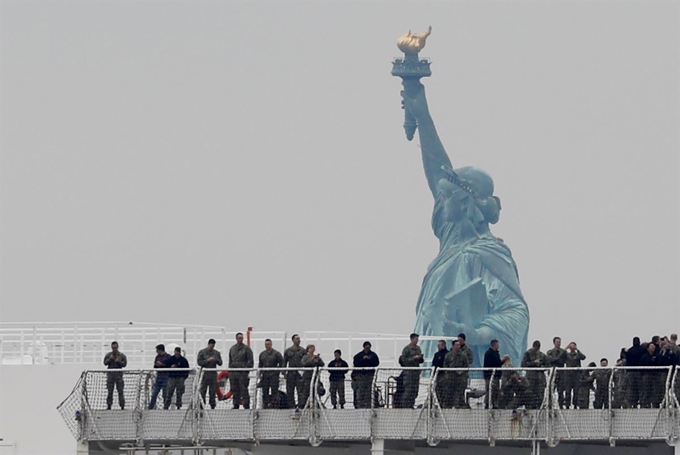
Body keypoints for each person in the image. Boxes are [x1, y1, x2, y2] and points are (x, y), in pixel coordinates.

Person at [402, 81, 529, 368]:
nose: (440, 200)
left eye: (447, 196)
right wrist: (422, 116)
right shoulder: (451, 240)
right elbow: (437, 169)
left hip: (473, 367)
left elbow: (515, 311)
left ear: (466, 203)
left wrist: (477, 333)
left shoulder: (489, 255)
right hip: (431, 364)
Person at [229, 332, 254, 409]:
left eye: (241, 338)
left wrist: (245, 370)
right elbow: (230, 361)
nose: (240, 339)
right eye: (239, 338)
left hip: (242, 374)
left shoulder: (247, 349)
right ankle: (235, 405)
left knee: (244, 390)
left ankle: (246, 405)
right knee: (235, 389)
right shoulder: (232, 349)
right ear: (236, 338)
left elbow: (250, 361)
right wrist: (230, 372)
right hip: (234, 373)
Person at [400, 333, 425, 408]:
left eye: (417, 339)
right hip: (409, 373)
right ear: (412, 339)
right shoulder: (407, 349)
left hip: (416, 373)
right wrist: (413, 358)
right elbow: (403, 361)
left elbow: (420, 361)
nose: (417, 341)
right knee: (408, 390)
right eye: (415, 339)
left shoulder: (418, 348)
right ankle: (405, 406)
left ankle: (411, 405)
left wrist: (420, 358)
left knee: (415, 391)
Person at [197, 338, 223, 409]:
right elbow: (199, 362)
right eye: (211, 346)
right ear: (208, 344)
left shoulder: (216, 353)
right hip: (204, 374)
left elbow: (220, 363)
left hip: (213, 374)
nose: (212, 347)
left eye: (213, 346)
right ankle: (201, 406)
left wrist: (216, 360)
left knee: (212, 391)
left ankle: (212, 405)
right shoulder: (202, 352)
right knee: (203, 391)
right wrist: (207, 360)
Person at [443, 339, 469, 408]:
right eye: (457, 345)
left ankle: (460, 405)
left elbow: (466, 366)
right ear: (453, 346)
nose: (459, 346)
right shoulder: (448, 355)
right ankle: (448, 406)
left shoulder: (463, 355)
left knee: (460, 393)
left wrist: (462, 373)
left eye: (459, 345)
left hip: (460, 378)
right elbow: (445, 365)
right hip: (450, 378)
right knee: (449, 393)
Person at [353, 341, 380, 408]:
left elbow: (376, 363)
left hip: (370, 376)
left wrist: (369, 360)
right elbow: (356, 363)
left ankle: (369, 405)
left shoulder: (373, 355)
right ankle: (360, 405)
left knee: (369, 391)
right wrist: (363, 359)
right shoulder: (359, 355)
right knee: (361, 391)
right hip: (361, 376)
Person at [521, 340, 547, 409]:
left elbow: (547, 365)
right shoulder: (528, 354)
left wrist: (541, 367)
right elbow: (523, 365)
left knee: (539, 393)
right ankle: (529, 407)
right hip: (530, 377)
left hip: (540, 378)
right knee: (529, 393)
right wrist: (534, 363)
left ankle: (538, 407)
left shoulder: (542, 355)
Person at [258, 338, 283, 409]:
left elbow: (281, 363)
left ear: (271, 344)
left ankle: (275, 405)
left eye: (268, 344)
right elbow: (260, 365)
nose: (267, 345)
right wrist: (259, 374)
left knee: (274, 391)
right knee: (265, 391)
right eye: (266, 344)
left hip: (274, 376)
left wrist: (279, 372)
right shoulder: (262, 354)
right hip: (265, 376)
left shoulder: (276, 354)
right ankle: (265, 405)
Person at [103, 341, 127, 410]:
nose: (114, 349)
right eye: (113, 348)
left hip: (119, 377)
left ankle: (122, 406)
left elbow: (124, 364)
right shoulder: (108, 355)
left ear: (117, 347)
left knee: (120, 391)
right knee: (110, 392)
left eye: (115, 348)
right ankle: (109, 405)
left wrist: (118, 361)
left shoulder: (122, 355)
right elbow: (105, 363)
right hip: (110, 376)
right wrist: (110, 359)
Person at [284, 334, 306, 409]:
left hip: (300, 373)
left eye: (299, 339)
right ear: (293, 340)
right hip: (291, 373)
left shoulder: (303, 351)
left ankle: (300, 405)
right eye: (297, 339)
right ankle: (291, 405)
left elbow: (306, 361)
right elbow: (284, 362)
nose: (298, 340)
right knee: (290, 390)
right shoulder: (288, 351)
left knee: (300, 390)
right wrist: (284, 372)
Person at [148, 344, 173, 409]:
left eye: (157, 350)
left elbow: (169, 366)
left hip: (166, 377)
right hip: (159, 377)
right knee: (154, 393)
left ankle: (166, 407)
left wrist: (162, 365)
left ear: (160, 350)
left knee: (165, 394)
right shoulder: (157, 357)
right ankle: (150, 407)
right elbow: (155, 366)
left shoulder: (168, 357)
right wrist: (157, 365)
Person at [563, 342, 586, 409]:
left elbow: (583, 357)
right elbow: (561, 356)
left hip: (576, 375)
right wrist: (565, 348)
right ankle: (567, 405)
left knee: (576, 391)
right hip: (568, 375)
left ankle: (575, 405)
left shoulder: (577, 355)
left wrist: (578, 350)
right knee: (568, 391)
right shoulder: (567, 355)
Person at [546, 337, 567, 408]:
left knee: (561, 390)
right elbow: (552, 360)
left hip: (561, 373)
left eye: (559, 342)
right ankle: (549, 405)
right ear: (554, 343)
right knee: (551, 389)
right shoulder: (550, 352)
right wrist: (558, 358)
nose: (559, 343)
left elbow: (563, 361)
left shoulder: (564, 352)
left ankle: (561, 405)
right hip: (553, 373)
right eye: (557, 342)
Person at [625, 337, 646, 408]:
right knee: (640, 388)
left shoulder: (630, 351)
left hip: (630, 371)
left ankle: (633, 403)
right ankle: (642, 403)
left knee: (632, 388)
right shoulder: (642, 350)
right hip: (639, 372)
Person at [483, 339, 502, 409]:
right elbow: (490, 364)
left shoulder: (496, 353)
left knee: (496, 390)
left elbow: (497, 363)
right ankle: (487, 404)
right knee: (490, 389)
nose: (499, 345)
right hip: (490, 376)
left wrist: (501, 361)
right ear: (494, 344)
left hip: (496, 376)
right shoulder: (488, 353)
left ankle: (495, 403)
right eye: (498, 344)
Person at [432, 340, 449, 406]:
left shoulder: (447, 354)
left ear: (443, 345)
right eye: (438, 345)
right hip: (437, 376)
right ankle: (439, 404)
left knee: (445, 391)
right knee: (438, 391)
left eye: (439, 345)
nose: (438, 347)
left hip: (445, 376)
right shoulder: (436, 354)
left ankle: (445, 405)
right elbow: (434, 364)